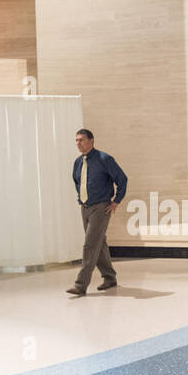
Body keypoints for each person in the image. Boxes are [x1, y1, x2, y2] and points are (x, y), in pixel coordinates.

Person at [68, 127, 127, 296]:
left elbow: (122, 180)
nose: (78, 143)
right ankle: (110, 277)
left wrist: (116, 201)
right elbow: (77, 182)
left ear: (91, 141)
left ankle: (80, 285)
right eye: (77, 140)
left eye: (82, 140)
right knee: (99, 244)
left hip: (101, 207)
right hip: (85, 207)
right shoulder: (78, 162)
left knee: (90, 244)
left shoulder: (105, 159)